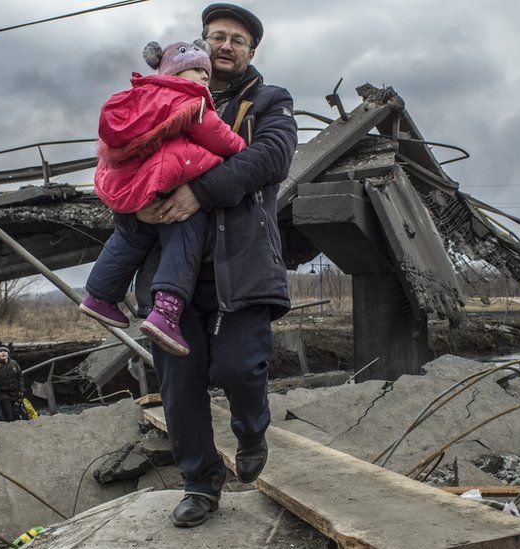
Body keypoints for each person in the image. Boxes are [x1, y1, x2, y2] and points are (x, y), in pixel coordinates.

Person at [134, 4, 297, 528]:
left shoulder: (270, 101)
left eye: (237, 40)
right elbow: (123, 155)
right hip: (170, 278)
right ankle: (199, 485)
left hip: (243, 267)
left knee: (238, 368)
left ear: (251, 52)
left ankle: (251, 430)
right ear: (200, 44)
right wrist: (132, 199)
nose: (225, 46)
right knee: (179, 385)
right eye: (216, 37)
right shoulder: (160, 94)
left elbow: (271, 158)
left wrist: (198, 191)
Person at [80, 38, 246, 357]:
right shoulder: (189, 102)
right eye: (195, 70)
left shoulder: (141, 98)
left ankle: (99, 295)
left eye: (205, 73)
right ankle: (166, 313)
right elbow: (220, 138)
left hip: (136, 185)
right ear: (172, 72)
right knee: (185, 235)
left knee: (130, 236)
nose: (202, 78)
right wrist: (242, 149)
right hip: (167, 180)